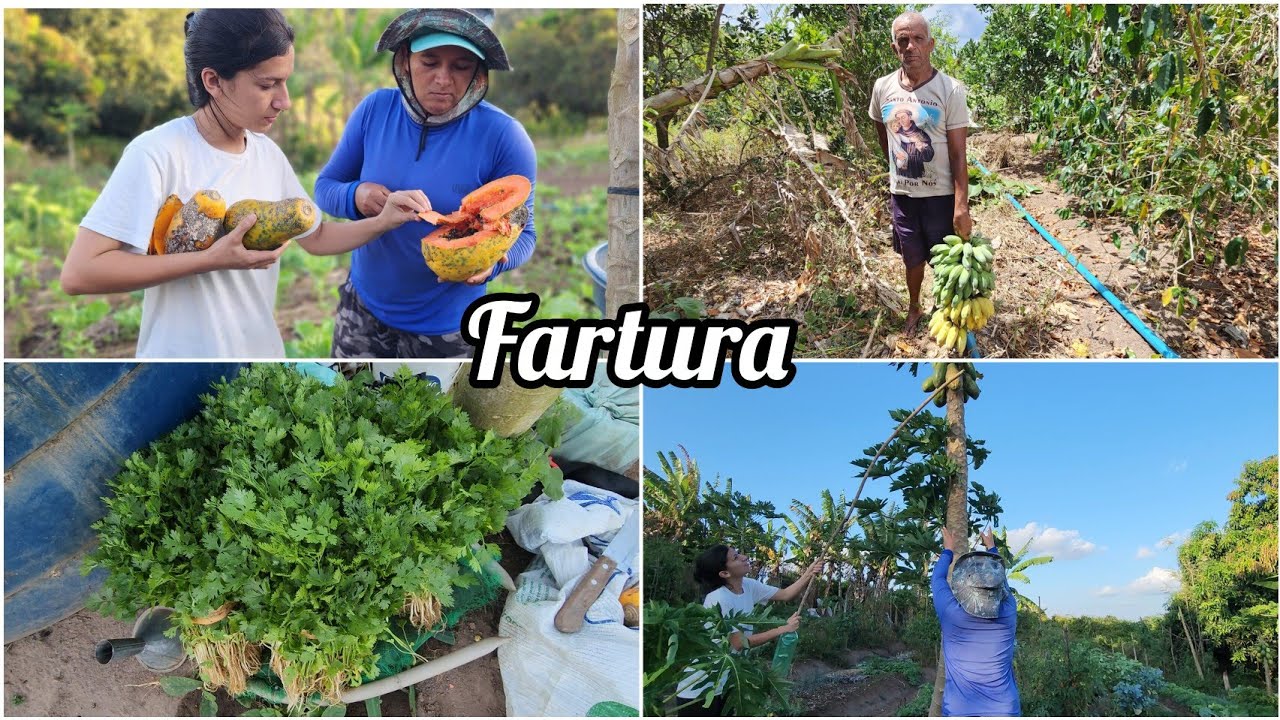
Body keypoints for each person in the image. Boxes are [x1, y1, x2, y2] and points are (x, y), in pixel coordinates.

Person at [63, 9, 429, 359]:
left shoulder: (266, 154)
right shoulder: (156, 153)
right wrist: (207, 260)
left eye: (285, 82)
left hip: (259, 357)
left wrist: (383, 222)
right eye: (267, 84)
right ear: (213, 81)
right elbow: (80, 273)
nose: (283, 101)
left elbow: (316, 238)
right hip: (178, 363)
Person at [314, 8, 538, 358]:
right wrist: (357, 195)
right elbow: (325, 186)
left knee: (438, 413)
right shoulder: (374, 110)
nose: (443, 79)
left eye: (461, 66)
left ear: (478, 71)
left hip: (451, 331)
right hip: (362, 314)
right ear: (405, 60)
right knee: (346, 402)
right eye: (429, 62)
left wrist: (494, 265)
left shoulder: (504, 137)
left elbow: (526, 234)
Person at [868, 11, 971, 335]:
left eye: (917, 39)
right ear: (894, 47)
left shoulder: (950, 90)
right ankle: (914, 306)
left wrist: (961, 205)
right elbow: (881, 132)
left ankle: (944, 307)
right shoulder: (882, 87)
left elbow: (957, 153)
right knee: (911, 258)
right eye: (903, 40)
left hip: (940, 197)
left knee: (944, 260)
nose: (910, 46)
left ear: (930, 45)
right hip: (903, 197)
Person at [675, 546, 823, 716]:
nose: (745, 557)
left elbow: (785, 594)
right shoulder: (718, 599)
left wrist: (809, 572)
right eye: (736, 557)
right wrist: (782, 629)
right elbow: (739, 643)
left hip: (727, 683)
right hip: (700, 689)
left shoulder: (748, 585)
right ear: (724, 573)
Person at [932, 527, 1020, 717]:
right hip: (1004, 710)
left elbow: (937, 578)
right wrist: (992, 548)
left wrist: (948, 549)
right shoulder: (1009, 612)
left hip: (959, 710)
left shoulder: (951, 613)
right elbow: (1002, 582)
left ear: (964, 584)